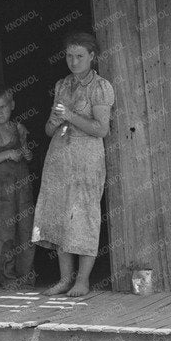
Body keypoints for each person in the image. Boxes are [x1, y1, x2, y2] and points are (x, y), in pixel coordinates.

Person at [32, 31, 114, 298]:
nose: (74, 61)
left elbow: (101, 129)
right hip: (59, 157)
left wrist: (69, 115)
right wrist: (54, 123)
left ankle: (83, 281)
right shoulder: (62, 85)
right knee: (59, 215)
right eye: (69, 56)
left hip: (86, 158)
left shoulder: (101, 87)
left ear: (92, 57)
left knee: (85, 215)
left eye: (80, 56)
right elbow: (48, 129)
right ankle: (64, 279)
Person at [0, 85, 35, 288]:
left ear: (12, 105)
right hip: (2, 191)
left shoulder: (18, 128)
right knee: (4, 232)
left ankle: (26, 276)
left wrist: (28, 155)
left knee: (26, 230)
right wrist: (7, 154)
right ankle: (8, 277)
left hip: (23, 187)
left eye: (3, 107)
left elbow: (27, 155)